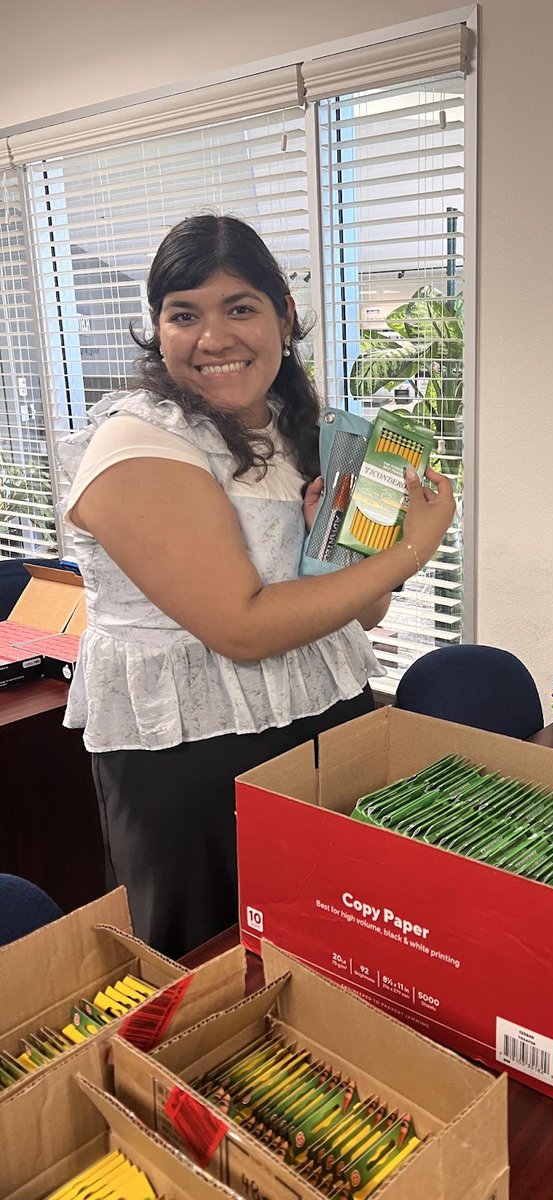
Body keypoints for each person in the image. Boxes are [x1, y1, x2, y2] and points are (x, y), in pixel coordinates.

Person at [58, 214, 456, 960]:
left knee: (331, 943)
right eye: (185, 314)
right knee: (209, 966)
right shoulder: (138, 442)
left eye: (240, 307)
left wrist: (343, 550)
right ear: (158, 328)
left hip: (320, 719)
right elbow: (239, 629)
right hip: (193, 753)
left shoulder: (296, 427)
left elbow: (362, 615)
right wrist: (413, 549)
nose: (214, 338)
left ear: (285, 314)